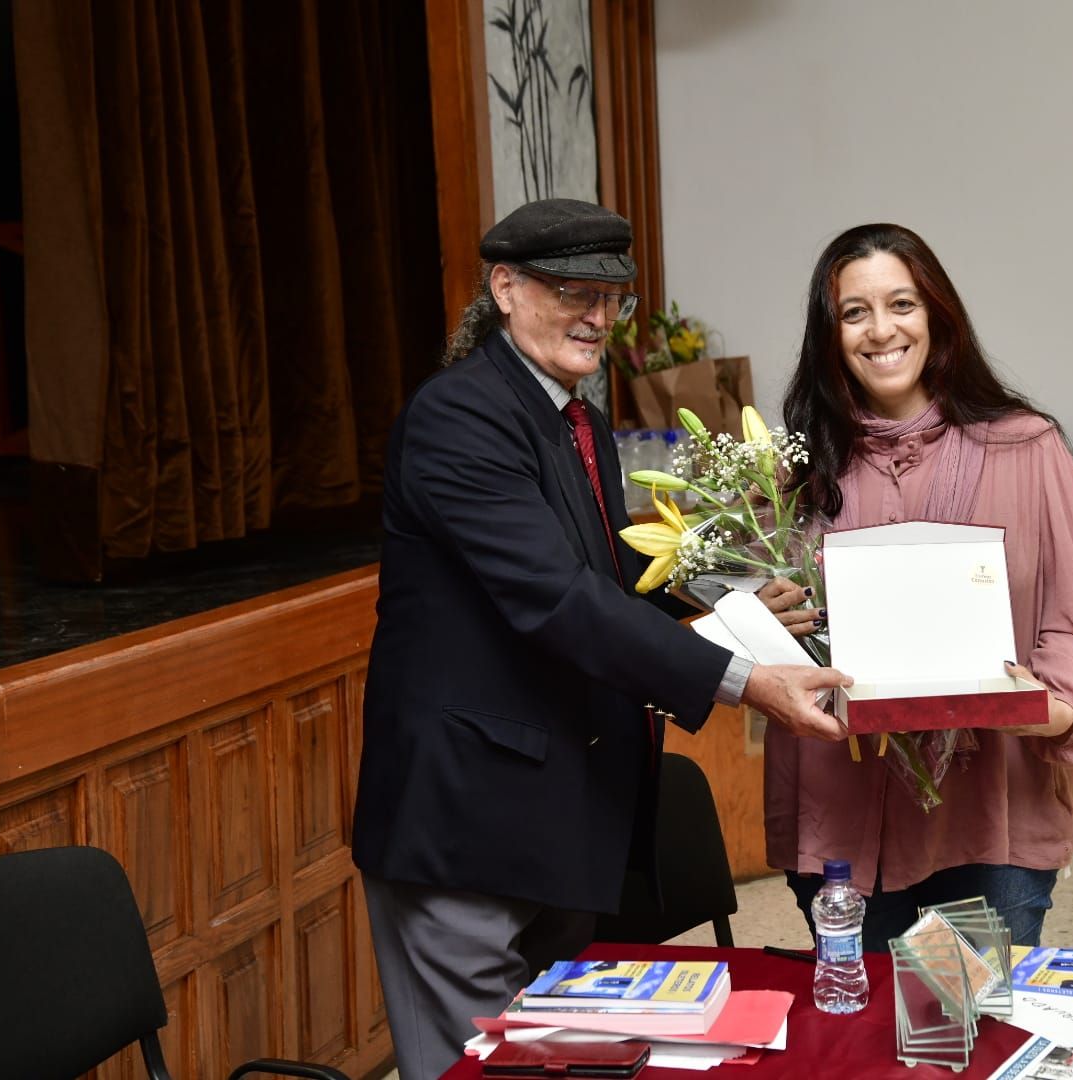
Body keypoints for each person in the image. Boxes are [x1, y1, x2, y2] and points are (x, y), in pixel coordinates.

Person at [351, 199, 849, 1080]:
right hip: (465, 829)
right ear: (504, 290)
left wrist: (735, 612)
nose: (597, 317)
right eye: (571, 291)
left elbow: (606, 582)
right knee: (478, 1070)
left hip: (555, 819)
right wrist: (747, 680)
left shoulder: (570, 416)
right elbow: (556, 600)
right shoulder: (460, 417)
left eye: (611, 297)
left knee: (556, 1065)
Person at [758, 223, 1073, 950]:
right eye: (854, 313)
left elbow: (1069, 621)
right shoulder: (795, 467)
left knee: (979, 1040)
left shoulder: (1027, 448)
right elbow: (772, 636)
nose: (880, 330)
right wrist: (764, 620)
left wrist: (1046, 709)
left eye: (902, 304)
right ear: (829, 335)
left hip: (991, 810)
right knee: (862, 1043)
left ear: (937, 316)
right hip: (845, 809)